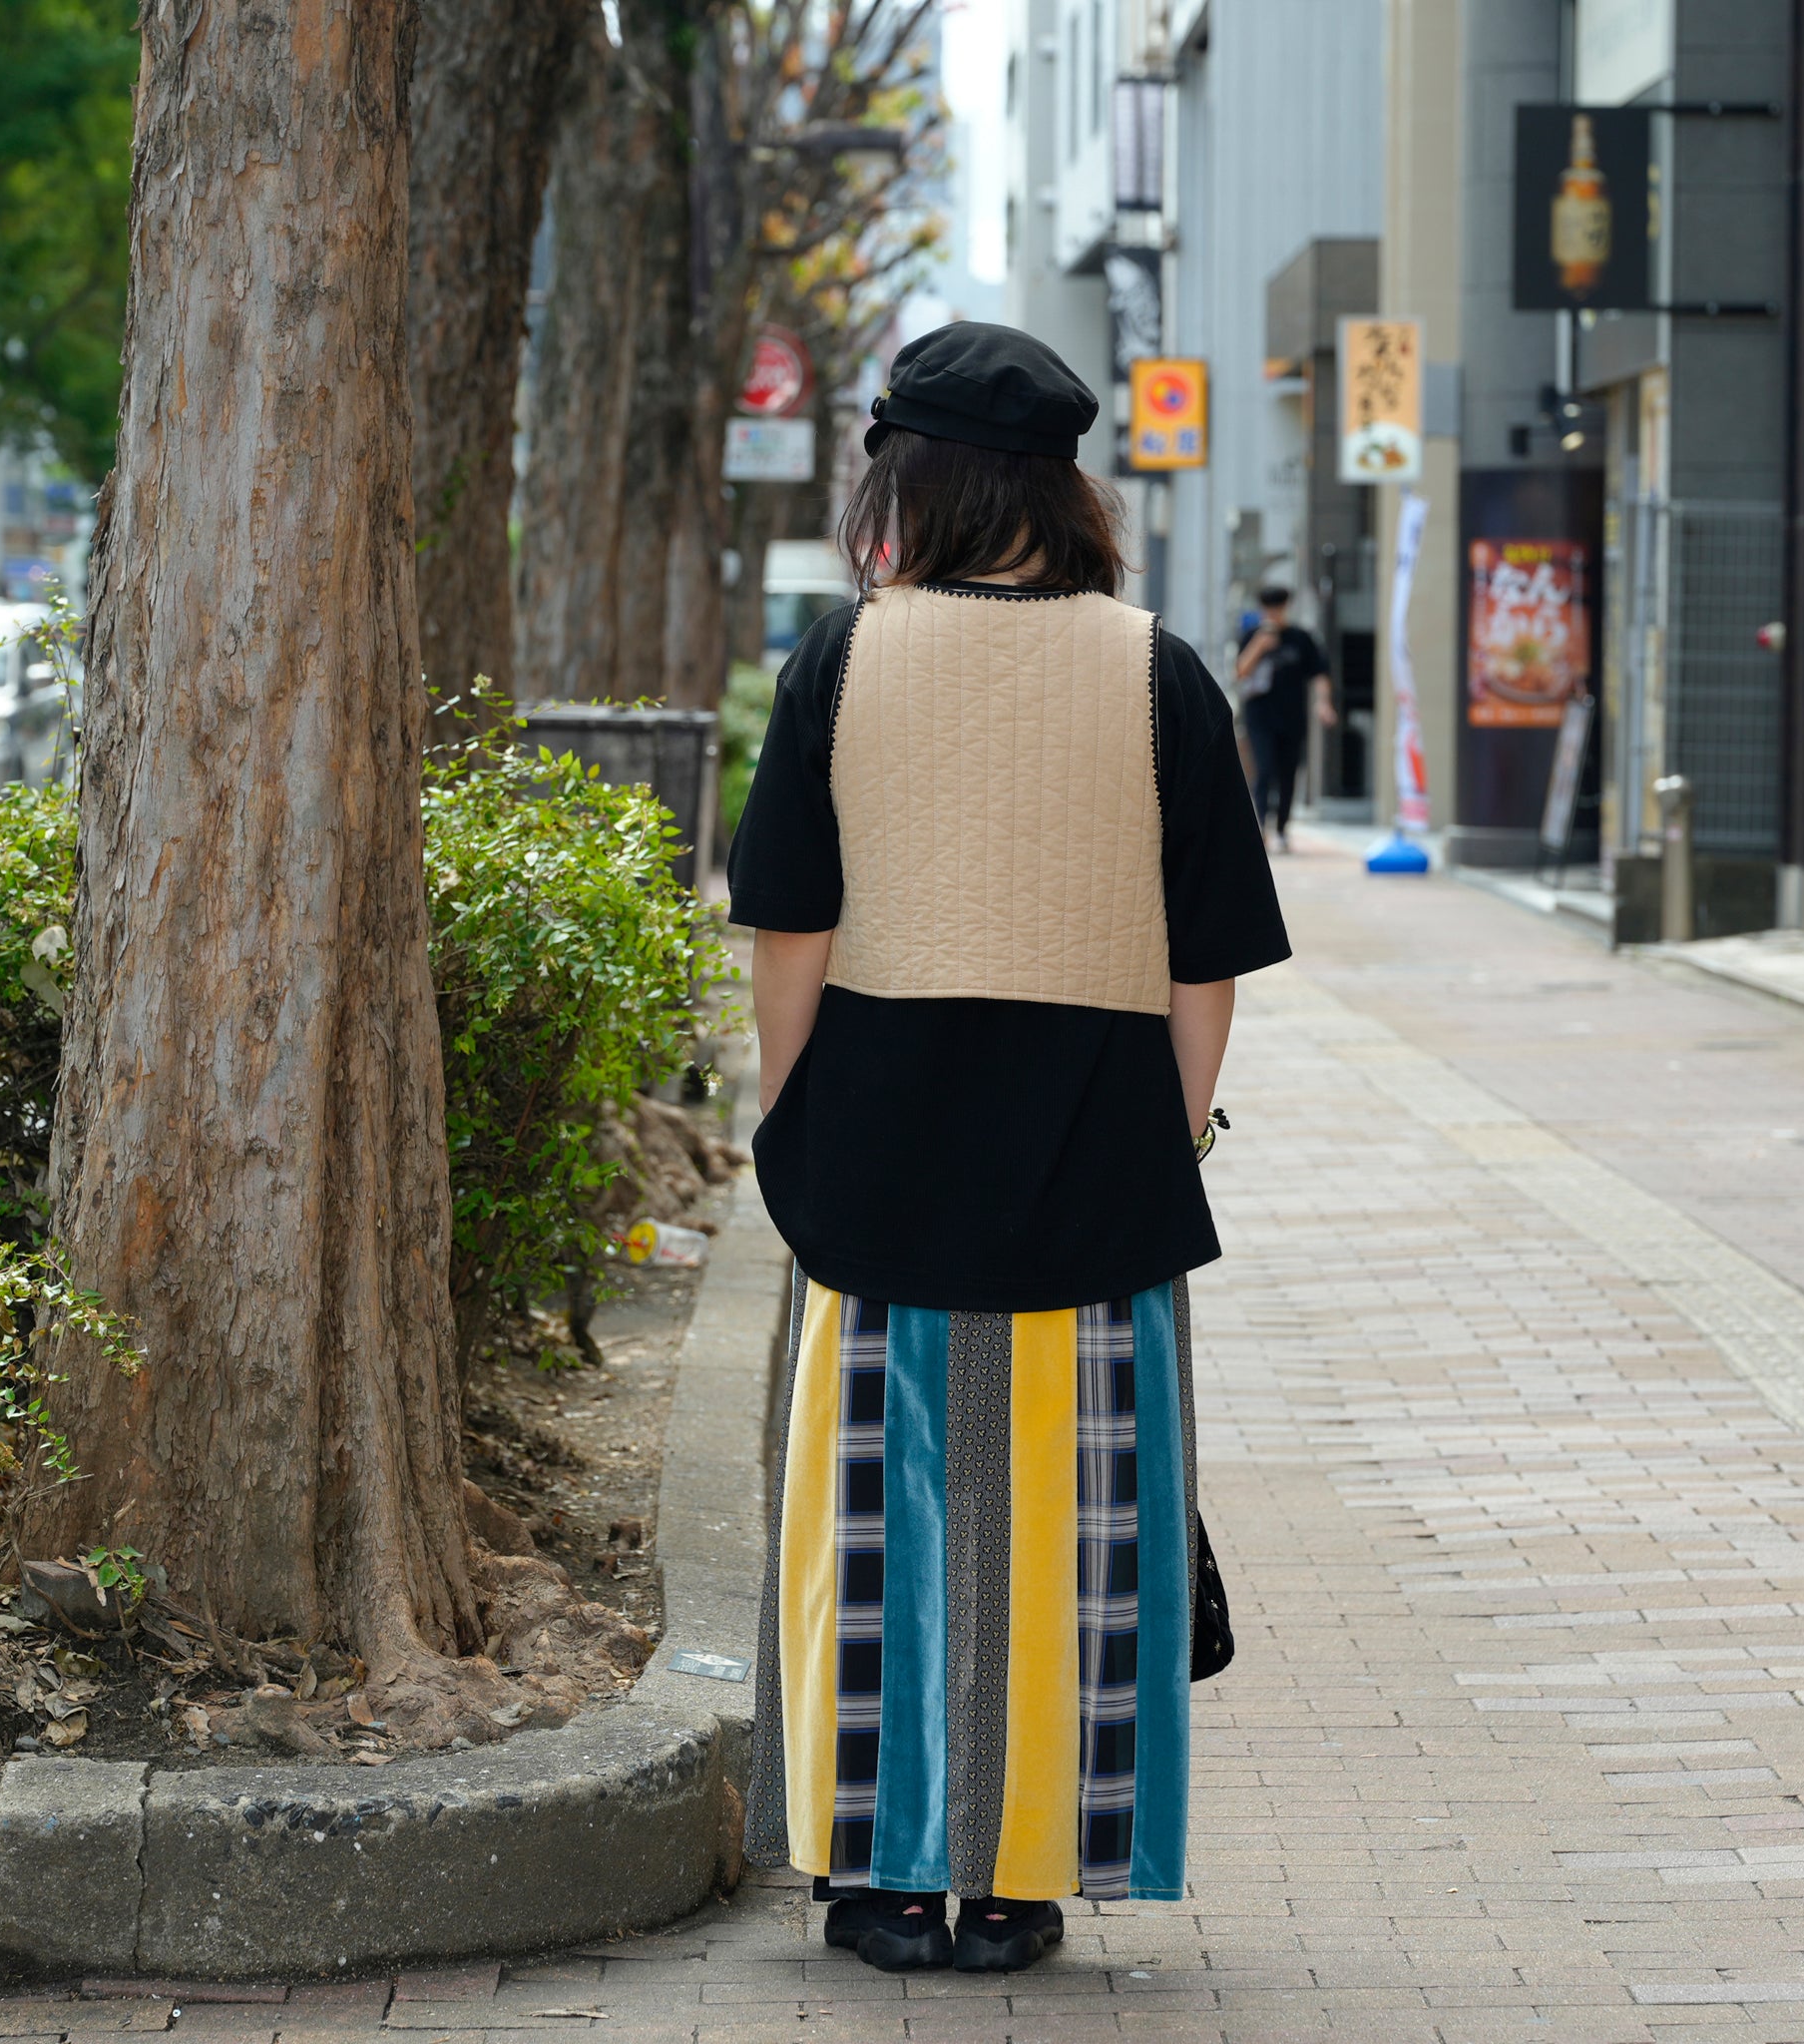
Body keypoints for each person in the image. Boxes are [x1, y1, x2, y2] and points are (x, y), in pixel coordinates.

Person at [724, 322, 1290, 1978]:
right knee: (1072, 1516)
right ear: (1063, 486)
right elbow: (1208, 960)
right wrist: (1170, 1129)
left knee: (880, 1511)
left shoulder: (842, 658)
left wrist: (790, 1109)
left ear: (904, 475)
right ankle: (1026, 1867)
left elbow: (788, 924)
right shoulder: (1158, 669)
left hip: (880, 1142)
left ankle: (883, 1869)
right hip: (1094, 1156)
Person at [1233, 585, 1335, 852]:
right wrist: (1259, 645)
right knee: (1264, 769)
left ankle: (1282, 828)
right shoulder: (1252, 636)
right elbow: (1241, 670)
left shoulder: (1300, 638)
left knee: (1289, 773)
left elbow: (1319, 672)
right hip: (1260, 716)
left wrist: (1323, 703)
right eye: (1268, 608)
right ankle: (1261, 827)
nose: (1273, 614)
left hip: (1292, 715)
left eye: (1278, 608)